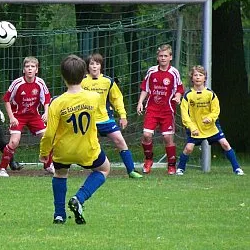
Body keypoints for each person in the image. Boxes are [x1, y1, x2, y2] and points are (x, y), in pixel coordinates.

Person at [40, 55, 110, 225]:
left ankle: (59, 214)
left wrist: (44, 152)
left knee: (60, 174)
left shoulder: (57, 103)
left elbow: (49, 133)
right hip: (87, 149)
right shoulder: (94, 98)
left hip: (63, 150)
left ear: (62, 76)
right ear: (84, 73)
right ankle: (79, 198)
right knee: (104, 169)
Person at [81, 53, 142, 178]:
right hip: (88, 121)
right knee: (91, 145)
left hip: (105, 119)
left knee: (120, 141)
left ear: (101, 66)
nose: (94, 66)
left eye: (97, 64)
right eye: (92, 64)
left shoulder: (108, 81)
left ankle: (131, 170)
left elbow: (117, 99)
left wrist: (123, 115)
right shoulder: (81, 82)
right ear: (88, 66)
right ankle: (97, 168)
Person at [177, 65, 244, 176]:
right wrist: (192, 128)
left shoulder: (211, 94)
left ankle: (237, 168)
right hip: (195, 127)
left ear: (205, 78)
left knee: (225, 144)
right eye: (195, 75)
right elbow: (185, 115)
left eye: (200, 75)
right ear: (192, 78)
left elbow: (216, 110)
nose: (198, 77)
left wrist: (210, 118)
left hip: (211, 126)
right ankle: (180, 168)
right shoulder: (187, 96)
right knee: (188, 148)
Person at [0, 56, 52, 177]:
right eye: (27, 67)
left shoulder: (40, 82)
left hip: (34, 116)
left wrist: (46, 112)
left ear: (37, 70)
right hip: (18, 116)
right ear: (24, 70)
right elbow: (6, 100)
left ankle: (48, 165)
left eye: (33, 67)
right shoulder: (17, 83)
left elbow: (47, 99)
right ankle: (1, 168)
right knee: (14, 142)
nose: (30, 69)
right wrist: (11, 117)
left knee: (48, 137)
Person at [136, 44, 184, 175]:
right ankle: (148, 159)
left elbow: (179, 89)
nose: (163, 58)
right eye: (161, 56)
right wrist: (140, 102)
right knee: (146, 135)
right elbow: (145, 88)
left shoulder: (174, 73)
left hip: (167, 110)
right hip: (152, 108)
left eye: (165, 56)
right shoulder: (151, 71)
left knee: (167, 137)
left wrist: (178, 98)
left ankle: (172, 164)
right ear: (157, 57)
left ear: (170, 57)